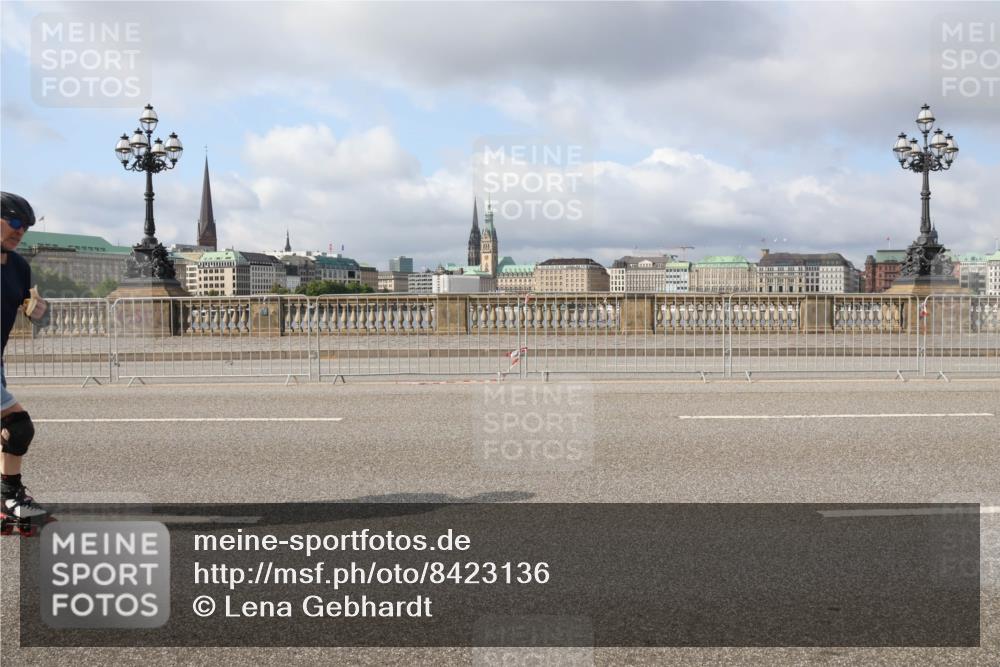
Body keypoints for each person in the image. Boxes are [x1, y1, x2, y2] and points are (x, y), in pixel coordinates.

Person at [1, 192, 51, 531]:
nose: (20, 231)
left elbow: (35, 312)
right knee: (18, 425)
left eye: (26, 226)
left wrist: (40, 314)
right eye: (15, 222)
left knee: (9, 429)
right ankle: (10, 497)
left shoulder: (19, 266)